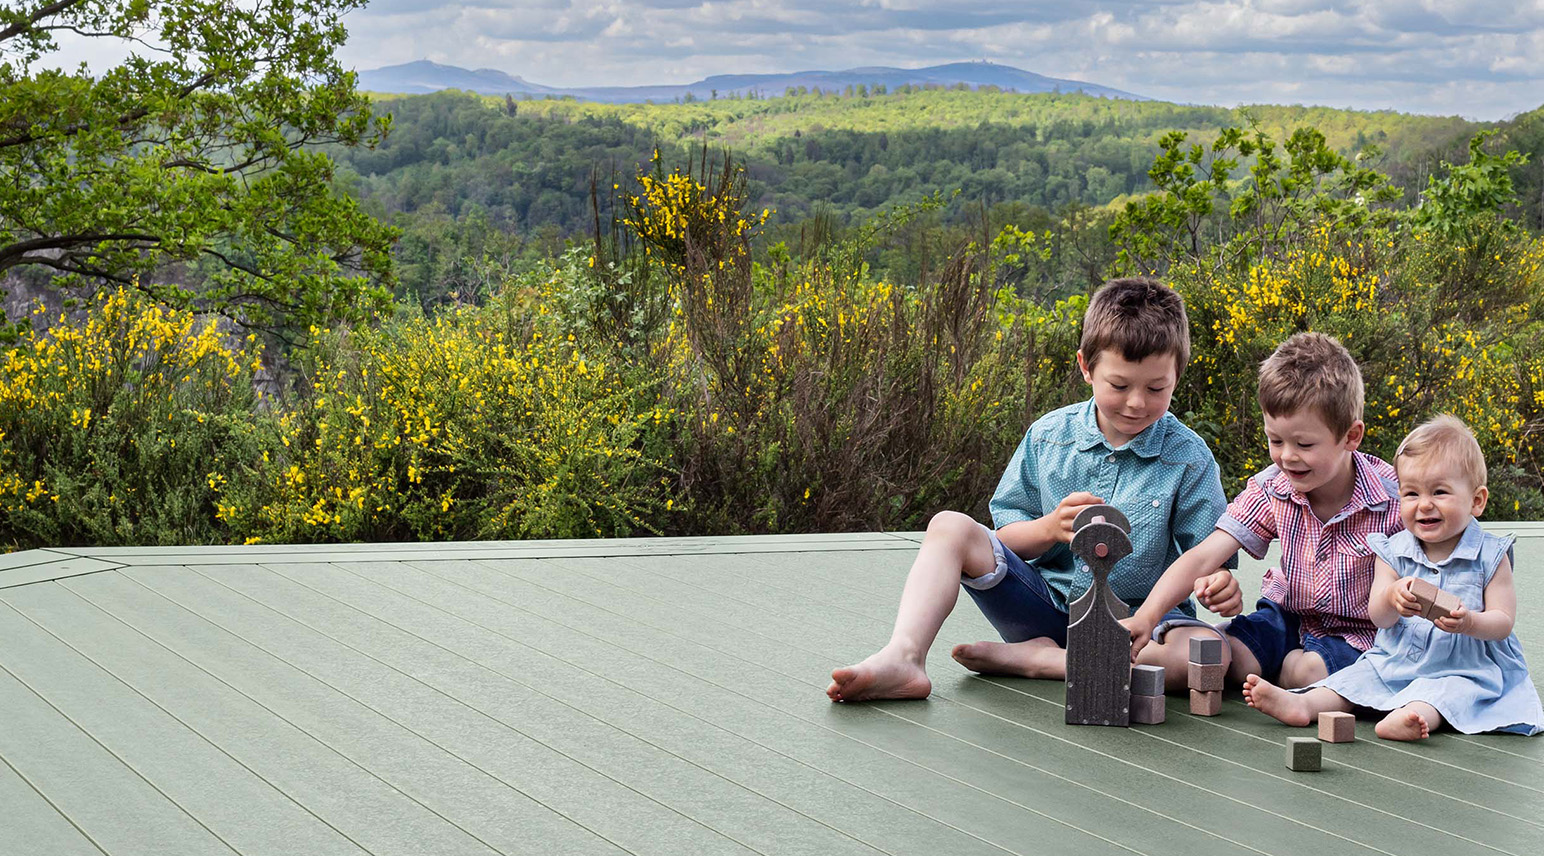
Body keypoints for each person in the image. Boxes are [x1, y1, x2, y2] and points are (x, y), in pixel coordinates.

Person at [827, 277, 1231, 702]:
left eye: (1156, 388)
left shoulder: (1189, 457)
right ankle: (904, 658)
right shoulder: (1048, 437)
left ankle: (1042, 662)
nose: (1136, 403)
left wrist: (1217, 582)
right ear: (1086, 367)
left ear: (1177, 375)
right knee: (949, 526)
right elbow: (1004, 541)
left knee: (1208, 659)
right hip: (1044, 608)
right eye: (1119, 386)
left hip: (1137, 628)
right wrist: (1049, 528)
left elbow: (1205, 555)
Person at [1125, 332, 1402, 689]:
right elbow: (1203, 556)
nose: (1287, 456)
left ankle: (1295, 674)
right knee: (1220, 658)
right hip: (1287, 618)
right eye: (1276, 441)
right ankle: (1100, 655)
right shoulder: (1274, 486)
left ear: (1351, 436)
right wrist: (1147, 617)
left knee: (1306, 673)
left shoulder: (1392, 497)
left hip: (1360, 633)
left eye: (1304, 444)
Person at [1243, 415, 1543, 739]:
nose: (1424, 505)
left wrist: (1470, 622)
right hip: (1396, 660)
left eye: (1440, 492)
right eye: (1411, 494)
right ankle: (1303, 705)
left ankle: (1410, 716)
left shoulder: (1490, 555)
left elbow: (1503, 621)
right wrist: (1392, 596)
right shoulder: (1393, 549)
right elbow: (1379, 618)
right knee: (1356, 678)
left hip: (1464, 668)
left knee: (1444, 692)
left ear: (1477, 500)